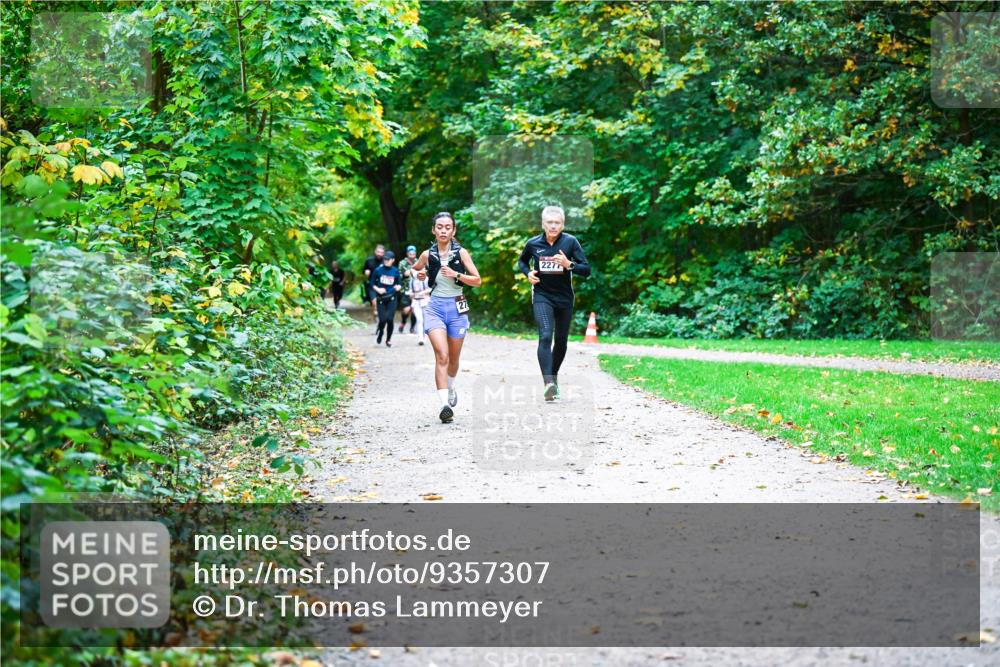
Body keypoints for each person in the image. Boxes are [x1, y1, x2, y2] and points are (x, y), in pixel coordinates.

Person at [412, 212, 482, 423]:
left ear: (453, 231)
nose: (443, 230)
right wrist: (420, 275)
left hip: (457, 309)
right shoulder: (427, 254)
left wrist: (456, 274)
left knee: (453, 359)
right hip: (434, 308)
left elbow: (477, 280)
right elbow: (413, 271)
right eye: (439, 227)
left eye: (447, 227)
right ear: (434, 230)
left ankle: (450, 387)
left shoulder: (461, 254)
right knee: (441, 356)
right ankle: (444, 405)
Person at [517, 205, 591, 401]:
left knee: (561, 341)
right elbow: (522, 262)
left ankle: (553, 378)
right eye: (549, 222)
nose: (553, 226)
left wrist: (569, 265)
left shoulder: (570, 242)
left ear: (563, 224)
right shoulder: (533, 244)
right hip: (542, 296)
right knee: (545, 336)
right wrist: (528, 273)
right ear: (543, 224)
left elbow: (586, 269)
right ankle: (548, 382)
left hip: (564, 298)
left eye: (557, 223)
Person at [371, 251, 402, 347]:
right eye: (384, 259)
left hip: (392, 298)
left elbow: (399, 284)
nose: (385, 261)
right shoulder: (378, 270)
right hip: (381, 298)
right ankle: (380, 332)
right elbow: (372, 284)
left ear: (393, 260)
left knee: (389, 319)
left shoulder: (395, 271)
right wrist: (378, 289)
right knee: (382, 320)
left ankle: (388, 339)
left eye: (388, 259)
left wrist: (398, 287)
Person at [397, 245, 418, 334]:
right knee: (406, 309)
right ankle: (403, 322)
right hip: (405, 289)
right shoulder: (402, 263)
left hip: (416, 290)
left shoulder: (419, 261)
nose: (412, 255)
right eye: (410, 253)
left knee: (414, 310)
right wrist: (404, 275)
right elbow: (397, 276)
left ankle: (412, 327)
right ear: (407, 253)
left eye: (413, 253)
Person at [362, 244, 385, 322]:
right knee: (374, 302)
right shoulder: (369, 260)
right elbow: (364, 270)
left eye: (381, 252)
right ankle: (375, 312)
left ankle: (379, 313)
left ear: (383, 253)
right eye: (378, 252)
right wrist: (366, 272)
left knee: (382, 303)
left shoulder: (385, 261)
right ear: (375, 252)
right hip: (372, 285)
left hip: (383, 285)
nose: (379, 254)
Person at [408, 269, 431, 346]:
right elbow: (410, 290)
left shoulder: (426, 279)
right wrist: (411, 294)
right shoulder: (412, 280)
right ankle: (420, 338)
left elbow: (430, 288)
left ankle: (425, 336)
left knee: (425, 320)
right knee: (419, 319)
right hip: (416, 301)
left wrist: (423, 292)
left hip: (425, 301)